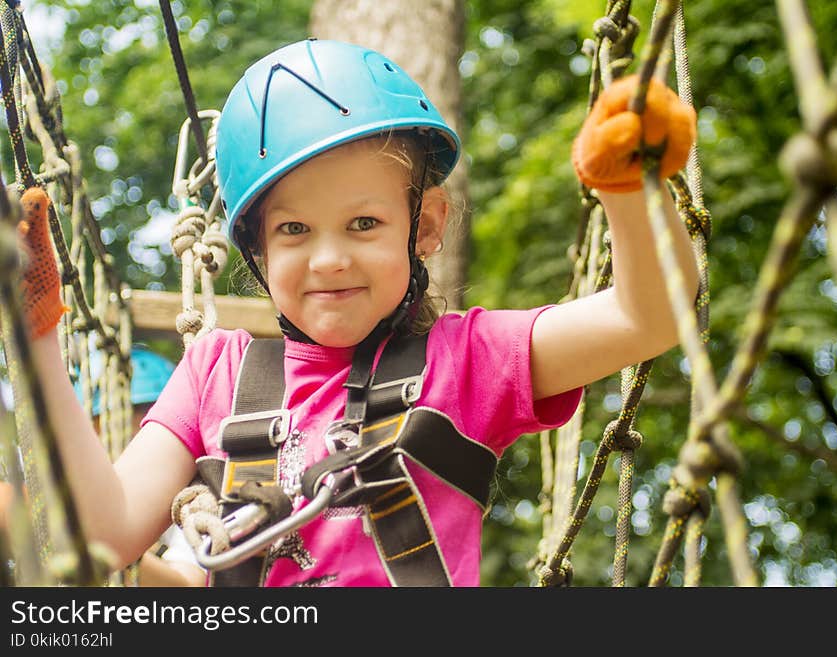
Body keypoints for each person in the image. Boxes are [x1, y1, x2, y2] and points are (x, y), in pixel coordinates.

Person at [18, 39, 699, 587]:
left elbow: (651, 316)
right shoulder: (213, 373)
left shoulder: (468, 359)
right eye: (293, 231)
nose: (329, 259)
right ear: (254, 249)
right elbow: (104, 535)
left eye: (364, 222)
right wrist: (38, 330)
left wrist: (628, 189)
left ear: (425, 225)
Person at [71, 344, 206, 587]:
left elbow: (188, 585)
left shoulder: (194, 498)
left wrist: (102, 547)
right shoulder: (79, 491)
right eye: (109, 429)